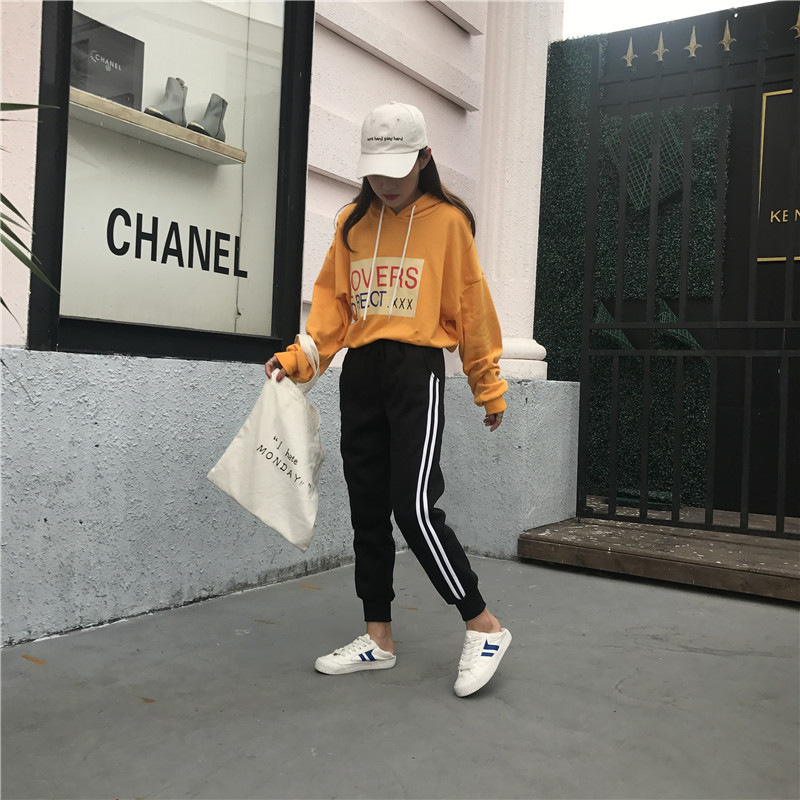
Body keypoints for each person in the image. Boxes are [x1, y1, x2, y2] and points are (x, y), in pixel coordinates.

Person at [265, 101, 511, 697]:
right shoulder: (353, 224)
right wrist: (297, 361)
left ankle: (484, 625)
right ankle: (378, 637)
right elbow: (331, 311)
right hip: (362, 374)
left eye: (398, 169)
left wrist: (487, 383)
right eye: (376, 171)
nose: (386, 182)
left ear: (424, 158)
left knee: (414, 507)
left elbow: (472, 307)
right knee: (368, 509)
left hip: (416, 371)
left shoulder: (448, 223)